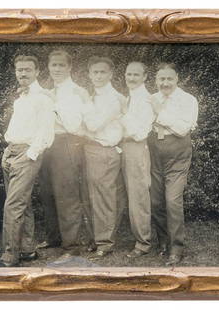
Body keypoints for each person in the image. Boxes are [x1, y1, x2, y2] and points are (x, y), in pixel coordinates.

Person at [0, 55, 55, 267]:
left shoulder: (43, 98)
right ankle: (27, 250)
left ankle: (10, 255)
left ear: (37, 72)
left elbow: (46, 132)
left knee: (12, 205)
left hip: (27, 154)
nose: (22, 73)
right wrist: (7, 151)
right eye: (19, 70)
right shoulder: (20, 98)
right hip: (11, 151)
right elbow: (15, 130)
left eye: (27, 70)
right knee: (24, 204)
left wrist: (31, 154)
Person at [148, 63, 198, 266]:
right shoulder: (151, 98)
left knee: (172, 201)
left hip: (177, 152)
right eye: (161, 79)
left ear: (177, 79)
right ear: (156, 80)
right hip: (154, 151)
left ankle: (176, 248)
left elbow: (182, 129)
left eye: (169, 79)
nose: (165, 83)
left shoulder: (187, 100)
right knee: (155, 201)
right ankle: (163, 242)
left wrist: (160, 114)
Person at [46, 50, 95, 257]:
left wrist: (55, 108)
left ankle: (72, 246)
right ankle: (54, 238)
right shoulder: (48, 91)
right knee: (47, 192)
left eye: (60, 65)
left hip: (68, 142)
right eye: (53, 65)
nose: (56, 69)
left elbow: (75, 125)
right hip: (48, 142)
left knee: (67, 194)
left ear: (69, 68)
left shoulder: (78, 92)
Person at [83, 56, 125, 258]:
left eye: (102, 72)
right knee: (91, 196)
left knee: (104, 198)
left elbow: (92, 125)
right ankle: (96, 239)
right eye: (95, 72)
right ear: (89, 75)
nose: (98, 76)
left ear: (110, 74)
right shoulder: (91, 96)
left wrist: (85, 129)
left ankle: (105, 242)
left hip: (105, 150)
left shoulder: (114, 98)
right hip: (90, 149)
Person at [120, 61, 154, 258]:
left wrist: (122, 116)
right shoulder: (129, 97)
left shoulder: (146, 100)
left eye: (135, 75)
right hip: (122, 146)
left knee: (138, 196)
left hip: (136, 147)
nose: (131, 78)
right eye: (128, 74)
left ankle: (143, 243)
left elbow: (140, 133)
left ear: (144, 77)